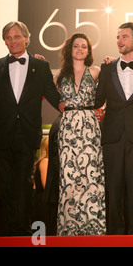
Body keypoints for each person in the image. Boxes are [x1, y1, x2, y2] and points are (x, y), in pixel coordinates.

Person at [0, 21, 61, 236]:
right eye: (8, 37)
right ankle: (3, 235)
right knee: (2, 187)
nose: (13, 41)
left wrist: (76, 108)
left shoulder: (40, 67)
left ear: (26, 38)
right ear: (4, 41)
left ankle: (22, 234)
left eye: (17, 36)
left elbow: (54, 97)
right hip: (0, 137)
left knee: (24, 186)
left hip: (27, 136)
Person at [95, 22, 133, 235]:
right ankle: (115, 236)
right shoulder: (107, 68)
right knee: (113, 191)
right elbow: (97, 100)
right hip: (111, 137)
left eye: (124, 37)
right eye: (118, 37)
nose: (119, 41)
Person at [55, 32, 106, 235]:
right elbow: (43, 92)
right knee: (69, 177)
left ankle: (93, 228)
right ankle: (69, 229)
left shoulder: (96, 71)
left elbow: (109, 92)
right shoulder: (59, 75)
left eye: (84, 46)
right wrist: (39, 63)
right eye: (76, 46)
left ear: (88, 51)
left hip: (89, 127)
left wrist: (103, 110)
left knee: (90, 176)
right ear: (70, 49)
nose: (80, 49)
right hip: (67, 128)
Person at [31, 136, 49, 227]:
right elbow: (46, 185)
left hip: (40, 201)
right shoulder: (45, 162)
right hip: (43, 203)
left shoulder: (40, 162)